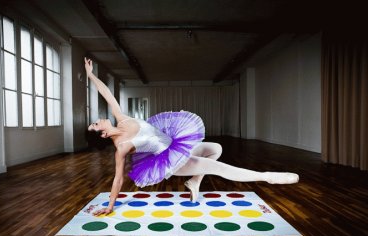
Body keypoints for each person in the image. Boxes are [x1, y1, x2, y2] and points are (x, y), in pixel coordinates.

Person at [84, 58, 299, 215]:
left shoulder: (121, 118)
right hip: (172, 161)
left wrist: (91, 75)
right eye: (95, 124)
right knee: (218, 168)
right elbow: (118, 178)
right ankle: (266, 176)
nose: (98, 119)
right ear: (102, 134)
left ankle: (195, 182)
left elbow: (106, 94)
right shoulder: (122, 147)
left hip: (175, 145)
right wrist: (110, 205)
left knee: (216, 149)